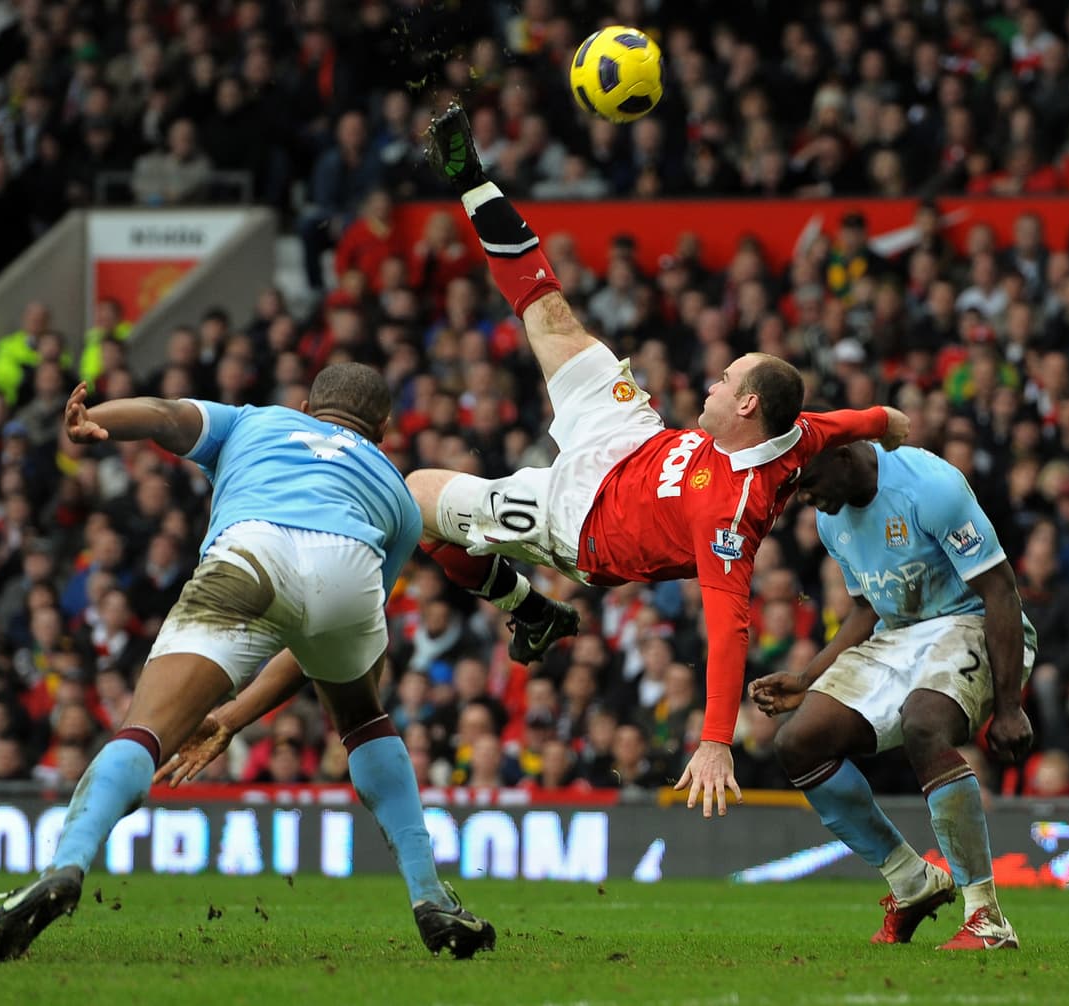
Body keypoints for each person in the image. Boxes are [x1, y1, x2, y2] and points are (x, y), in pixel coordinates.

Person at [412, 103, 910, 819]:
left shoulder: (729, 515)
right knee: (550, 314)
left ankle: (529, 610)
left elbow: (728, 627)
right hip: (630, 436)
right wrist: (891, 425)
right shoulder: (793, 430)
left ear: (746, 407)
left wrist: (715, 741)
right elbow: (857, 421)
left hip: (582, 521)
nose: (712, 380)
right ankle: (473, 179)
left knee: (417, 497)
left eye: (725, 379)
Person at [0, 363, 495, 962]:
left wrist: (95, 420)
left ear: (305, 407)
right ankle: (429, 896)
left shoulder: (256, 421)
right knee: (363, 719)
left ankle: (66, 866)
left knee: (146, 731)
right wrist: (232, 718)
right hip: (349, 570)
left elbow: (165, 416)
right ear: (384, 429)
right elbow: (316, 640)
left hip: (252, 551)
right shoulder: (397, 493)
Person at [750, 441, 1036, 950]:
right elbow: (867, 609)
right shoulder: (830, 519)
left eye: (808, 483)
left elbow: (1000, 590)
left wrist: (1010, 705)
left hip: (970, 622)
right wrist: (808, 677)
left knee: (923, 724)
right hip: (899, 635)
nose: (804, 497)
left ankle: (986, 916)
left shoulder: (930, 487)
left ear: (842, 458)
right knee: (799, 742)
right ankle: (911, 880)